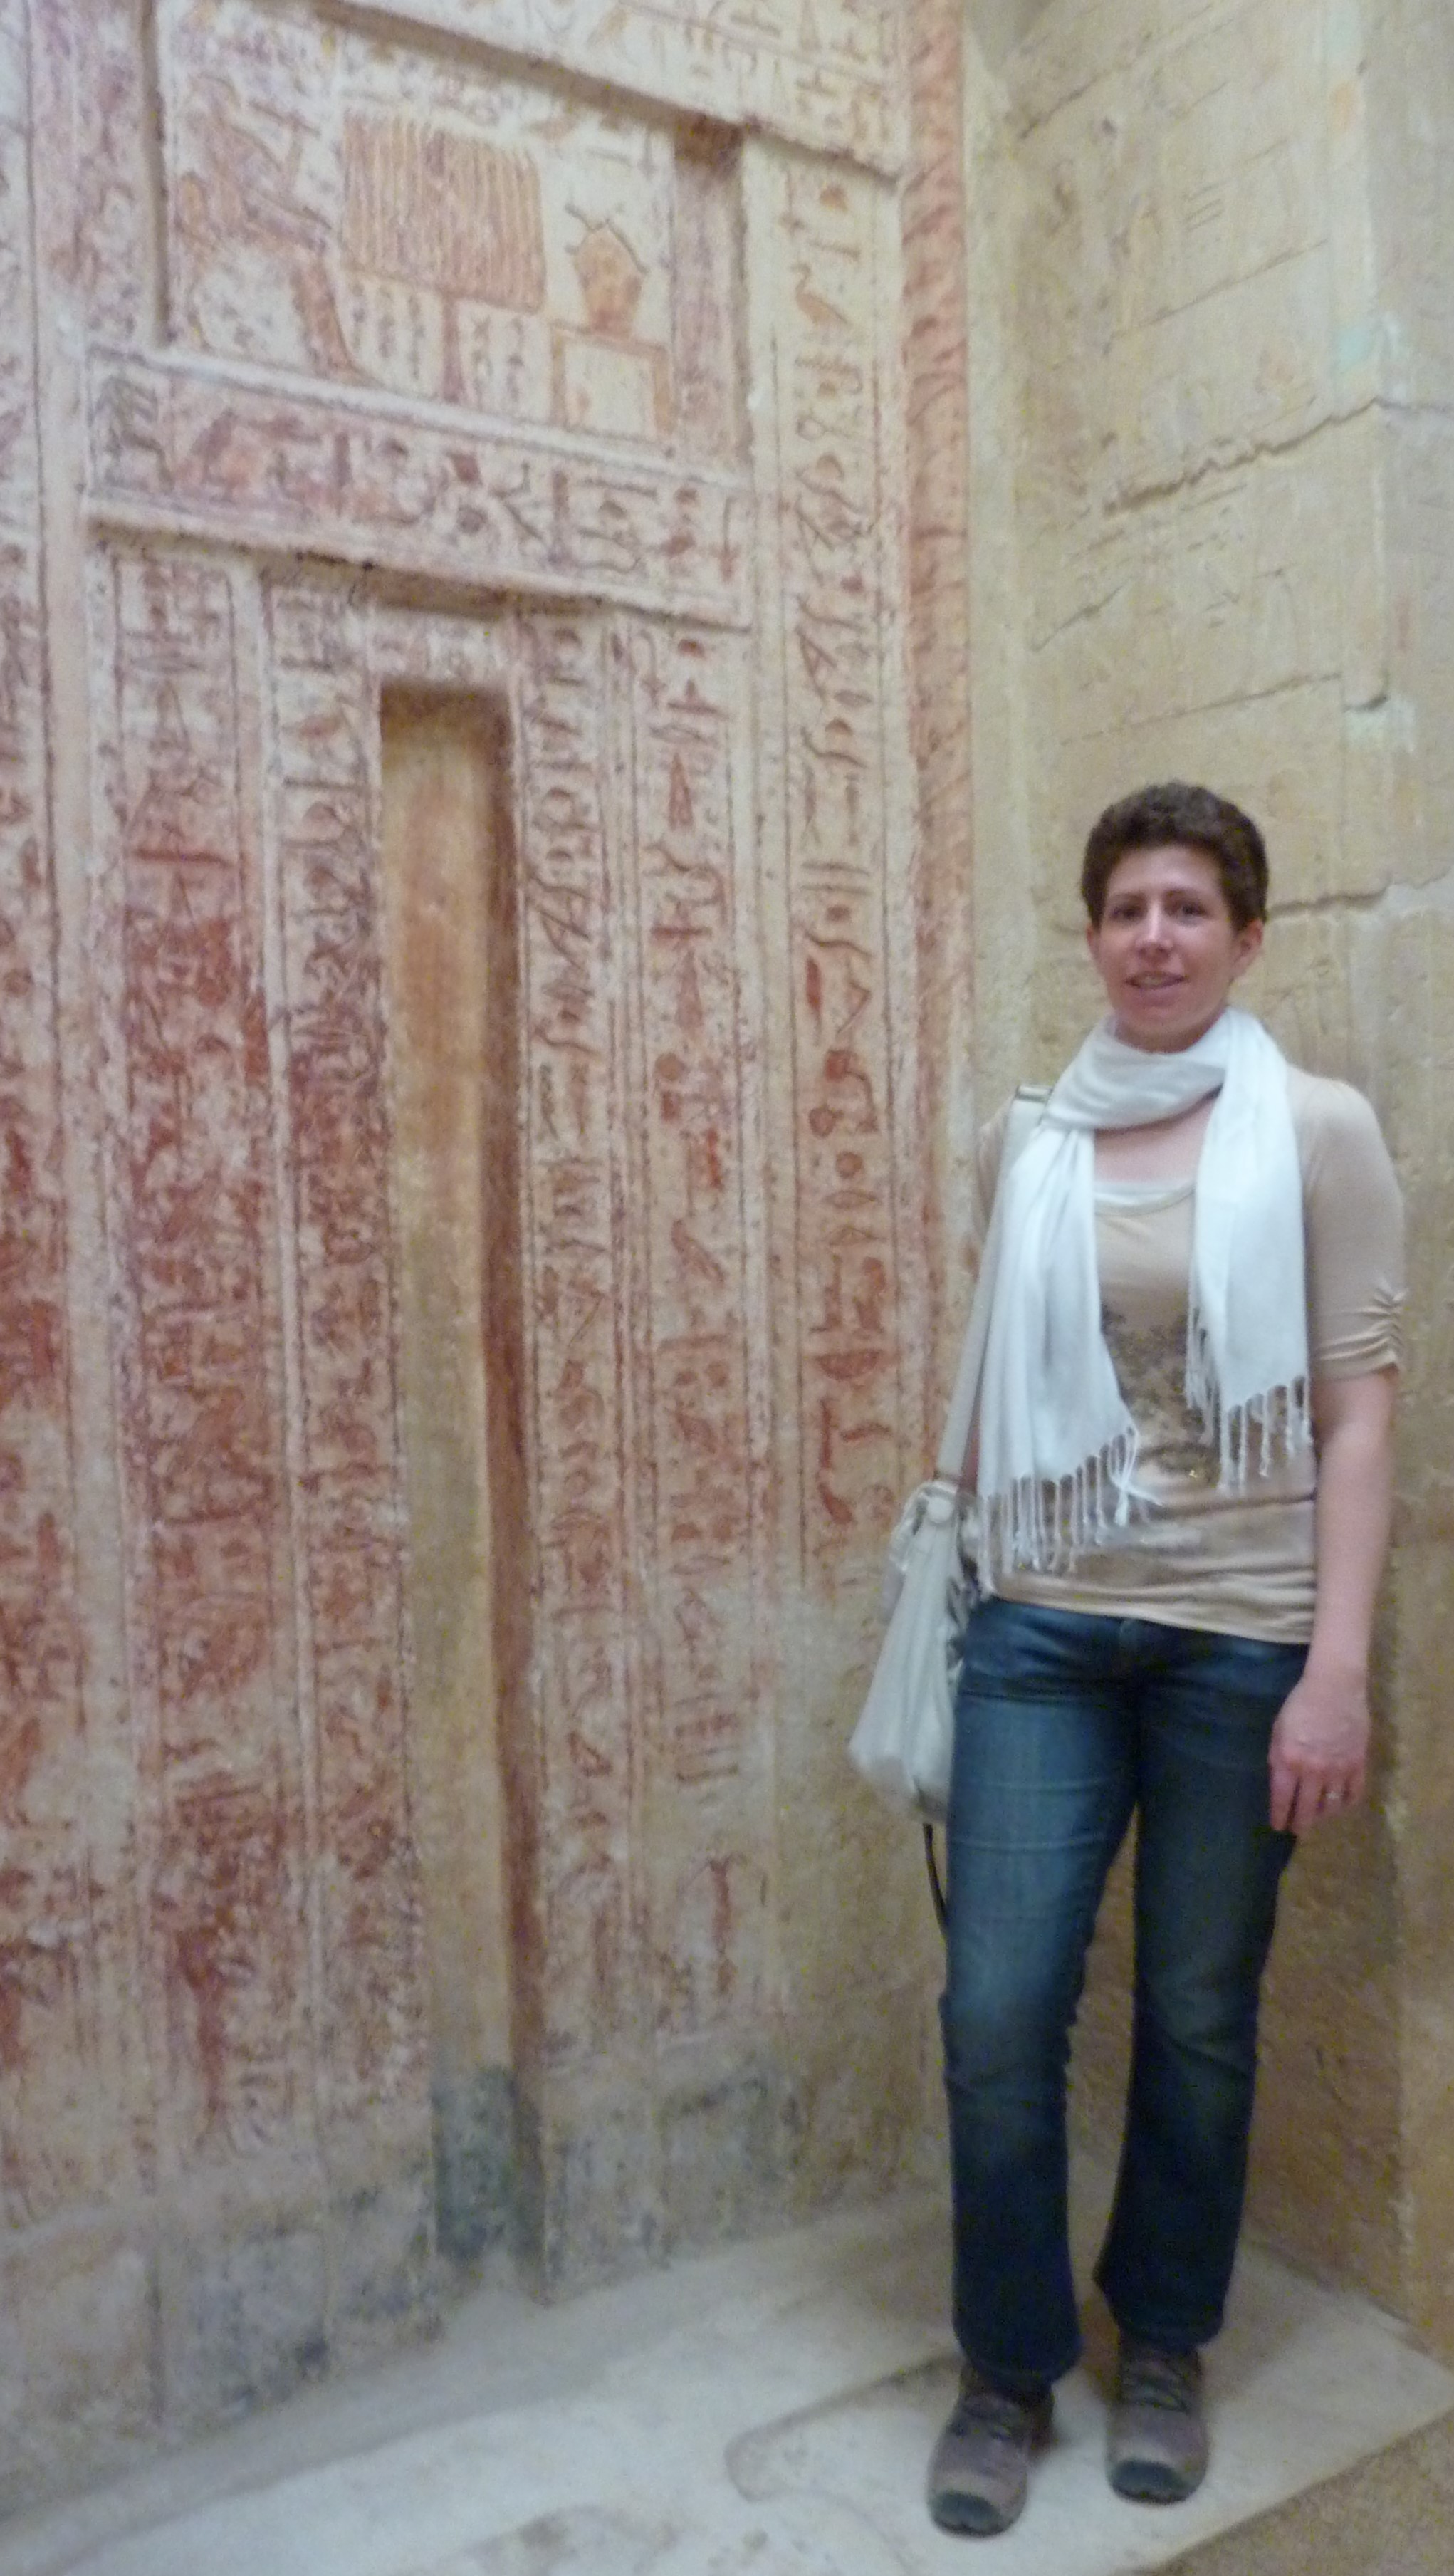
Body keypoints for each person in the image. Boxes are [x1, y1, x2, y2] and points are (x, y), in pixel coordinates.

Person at [927, 782, 1404, 2538]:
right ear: (1091, 936)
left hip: (1239, 1643)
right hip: (1041, 1631)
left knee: (1198, 2015)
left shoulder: (1323, 1133)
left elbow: (1357, 1418)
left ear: (1246, 939)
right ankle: (1001, 2366)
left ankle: (1164, 2346)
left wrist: (1333, 1669)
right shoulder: (1029, 1136)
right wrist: (949, 1572)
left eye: (1187, 909)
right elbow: (995, 1374)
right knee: (995, 2012)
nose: (1152, 937)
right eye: (1124, 906)